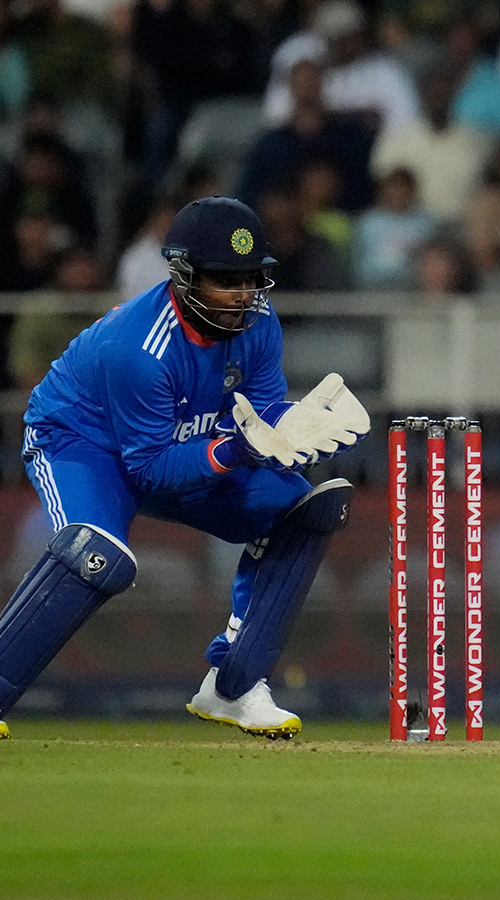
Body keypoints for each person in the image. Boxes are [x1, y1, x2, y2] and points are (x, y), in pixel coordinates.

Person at [0, 196, 370, 742]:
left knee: (306, 509)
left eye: (251, 278)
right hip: (79, 441)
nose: (243, 295)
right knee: (97, 554)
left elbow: (260, 410)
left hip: (179, 440)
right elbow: (149, 471)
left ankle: (234, 685)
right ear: (183, 276)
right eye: (226, 280)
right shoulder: (139, 349)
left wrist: (291, 427)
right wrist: (239, 449)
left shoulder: (259, 322)